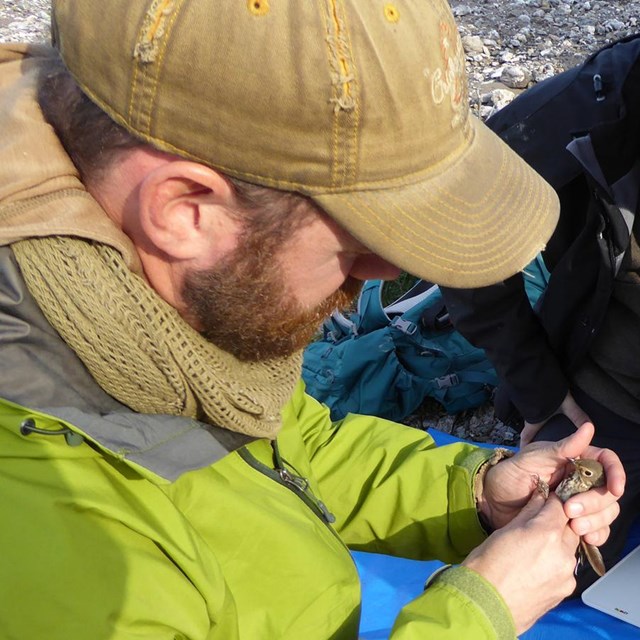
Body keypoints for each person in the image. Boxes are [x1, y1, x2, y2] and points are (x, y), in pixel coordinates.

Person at [0, 1, 624, 638]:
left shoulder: (158, 322)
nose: (387, 274)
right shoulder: (48, 531)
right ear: (187, 211)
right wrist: (474, 614)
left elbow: (288, 449)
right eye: (360, 239)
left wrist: (472, 493)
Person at [440, 37, 640, 592]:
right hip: (612, 400)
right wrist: (537, 385)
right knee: (546, 567)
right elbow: (461, 216)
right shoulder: (598, 104)